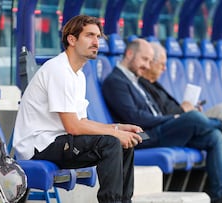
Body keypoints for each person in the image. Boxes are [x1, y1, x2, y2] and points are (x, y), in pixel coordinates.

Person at [13, 15, 144, 203]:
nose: (96, 42)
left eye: (98, 37)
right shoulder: (58, 70)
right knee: (110, 144)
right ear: (72, 39)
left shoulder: (78, 75)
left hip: (60, 140)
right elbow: (73, 127)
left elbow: (81, 122)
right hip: (40, 145)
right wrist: (114, 134)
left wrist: (118, 128)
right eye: (90, 36)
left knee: (125, 144)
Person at [102, 39, 222, 203]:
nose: (147, 66)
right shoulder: (115, 81)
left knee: (214, 137)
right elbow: (134, 117)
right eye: (144, 59)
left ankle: (221, 195)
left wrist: (172, 118)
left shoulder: (135, 80)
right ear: (129, 54)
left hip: (160, 129)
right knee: (192, 117)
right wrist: (172, 118)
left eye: (149, 61)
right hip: (142, 136)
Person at [137, 42, 222, 203]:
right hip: (175, 125)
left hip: (182, 121)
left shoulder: (154, 85)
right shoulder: (138, 85)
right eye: (162, 64)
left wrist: (189, 108)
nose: (164, 68)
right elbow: (159, 117)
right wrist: (183, 111)